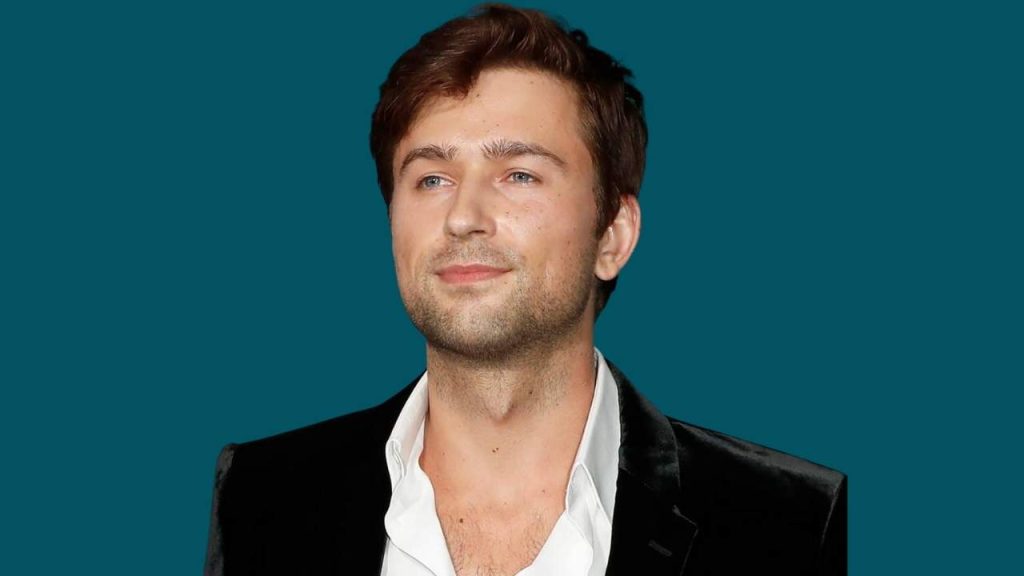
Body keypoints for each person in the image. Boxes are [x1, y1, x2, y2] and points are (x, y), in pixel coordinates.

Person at [203, 4, 847, 575]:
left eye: (519, 175)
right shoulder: (263, 499)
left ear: (612, 235)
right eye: (431, 179)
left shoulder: (787, 524)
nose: (463, 217)